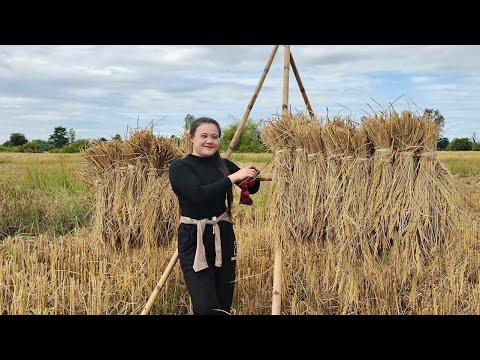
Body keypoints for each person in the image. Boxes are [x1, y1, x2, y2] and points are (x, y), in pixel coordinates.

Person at [168, 117, 260, 315]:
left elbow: (253, 189)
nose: (210, 141)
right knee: (206, 306)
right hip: (194, 237)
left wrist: (251, 177)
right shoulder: (180, 167)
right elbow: (197, 195)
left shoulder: (223, 164)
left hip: (224, 235)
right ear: (191, 138)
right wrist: (234, 177)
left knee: (223, 300)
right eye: (204, 136)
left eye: (215, 136)